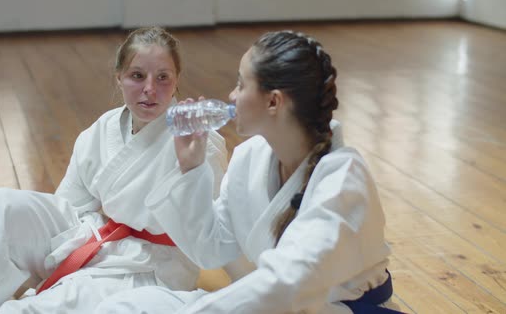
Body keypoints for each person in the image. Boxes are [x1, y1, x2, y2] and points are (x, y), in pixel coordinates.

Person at [0, 27, 228, 314]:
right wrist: (64, 249)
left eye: (163, 77)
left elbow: (205, 238)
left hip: (147, 267)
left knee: (33, 309)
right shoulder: (104, 128)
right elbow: (70, 205)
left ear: (177, 80)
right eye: (137, 75)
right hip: (97, 233)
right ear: (119, 77)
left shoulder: (200, 141)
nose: (150, 89)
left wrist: (193, 167)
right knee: (5, 205)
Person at [95, 30, 398, 314]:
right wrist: (191, 168)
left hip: (332, 307)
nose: (231, 95)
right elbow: (212, 248)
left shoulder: (343, 178)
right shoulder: (250, 158)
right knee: (129, 305)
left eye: (241, 84)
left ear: (273, 102)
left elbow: (286, 282)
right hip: (271, 302)